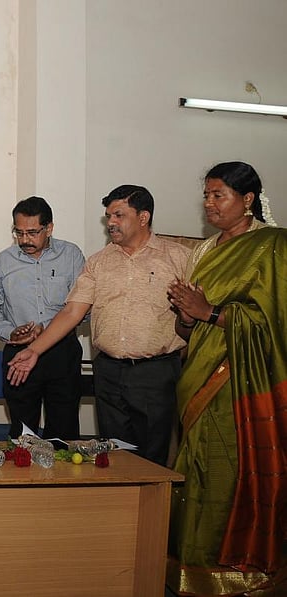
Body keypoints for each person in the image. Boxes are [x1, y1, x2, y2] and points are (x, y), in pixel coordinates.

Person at [166, 162, 287, 595]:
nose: (209, 203)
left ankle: (238, 571)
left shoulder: (273, 246)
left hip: (241, 383)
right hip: (198, 376)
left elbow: (275, 322)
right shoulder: (205, 250)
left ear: (248, 199)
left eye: (219, 195)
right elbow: (191, 328)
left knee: (228, 472)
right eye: (207, 195)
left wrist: (209, 312)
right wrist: (187, 316)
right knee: (193, 469)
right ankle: (188, 567)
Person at [7, 185, 190, 465]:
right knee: (113, 455)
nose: (111, 223)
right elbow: (72, 313)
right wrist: (34, 350)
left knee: (152, 456)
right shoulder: (99, 262)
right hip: (109, 372)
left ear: (143, 217)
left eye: (118, 215)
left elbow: (196, 311)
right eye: (108, 216)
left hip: (156, 373)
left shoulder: (178, 258)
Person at [0, 196, 85, 439]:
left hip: (62, 353)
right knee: (22, 434)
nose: (25, 240)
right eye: (19, 232)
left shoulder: (71, 255)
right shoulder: (3, 261)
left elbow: (83, 308)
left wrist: (45, 329)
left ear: (49, 228)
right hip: (19, 354)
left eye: (32, 232)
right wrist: (10, 332)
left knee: (64, 432)